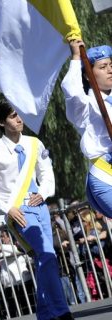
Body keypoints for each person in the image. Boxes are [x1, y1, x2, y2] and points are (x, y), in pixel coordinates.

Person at [0, 100, 80, 320]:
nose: (19, 119)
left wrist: (42, 193)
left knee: (45, 259)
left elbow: (46, 173)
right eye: (13, 116)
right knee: (47, 256)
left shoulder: (34, 144)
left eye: (20, 114)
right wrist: (6, 208)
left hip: (38, 205)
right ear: (2, 122)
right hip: (17, 211)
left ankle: (47, 319)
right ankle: (63, 313)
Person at [61, 40, 112, 217]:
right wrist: (76, 58)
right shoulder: (86, 106)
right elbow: (72, 91)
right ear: (88, 75)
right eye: (103, 66)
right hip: (105, 175)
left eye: (111, 65)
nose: (110, 70)